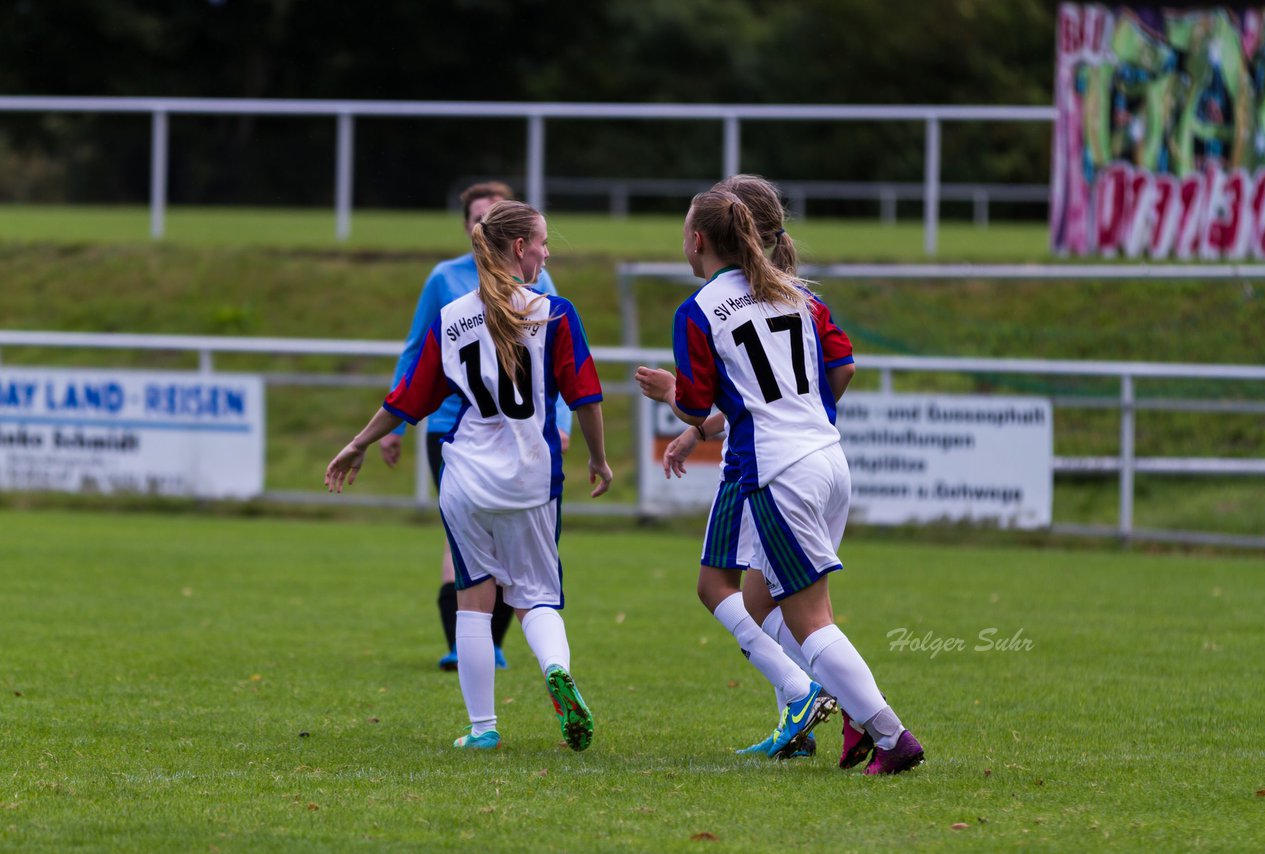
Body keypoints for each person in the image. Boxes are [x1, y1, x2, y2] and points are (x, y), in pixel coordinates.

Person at [640, 187, 924, 774]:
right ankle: (853, 711)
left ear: (697, 241)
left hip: (779, 471)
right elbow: (841, 366)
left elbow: (694, 403)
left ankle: (892, 736)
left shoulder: (697, 311)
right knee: (758, 597)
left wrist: (672, 393)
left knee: (809, 618)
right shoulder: (794, 294)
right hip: (827, 458)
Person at [326, 200, 612, 752]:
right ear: (520, 248)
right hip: (531, 478)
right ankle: (556, 669)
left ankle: (483, 730)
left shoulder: (453, 316)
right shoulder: (554, 312)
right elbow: (587, 398)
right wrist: (598, 458)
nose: (548, 252)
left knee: (473, 599)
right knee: (537, 599)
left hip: (467, 480)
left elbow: (408, 399)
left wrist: (359, 442)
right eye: (544, 243)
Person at [380, 181, 572, 672]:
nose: (480, 224)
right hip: (449, 427)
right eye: (474, 217)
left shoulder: (537, 284)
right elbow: (415, 353)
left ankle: (484, 650)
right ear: (467, 226)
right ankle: (469, 644)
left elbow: (556, 360)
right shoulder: (444, 279)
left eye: (491, 216)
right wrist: (395, 428)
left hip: (519, 428)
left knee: (495, 545)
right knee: (471, 541)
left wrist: (561, 421)